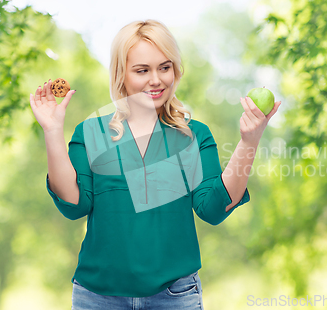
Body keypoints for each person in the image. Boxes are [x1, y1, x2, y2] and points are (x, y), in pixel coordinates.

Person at [29, 19, 281, 310]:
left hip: (174, 297)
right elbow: (74, 205)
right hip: (98, 297)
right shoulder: (91, 133)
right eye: (142, 70)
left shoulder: (194, 135)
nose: (156, 80)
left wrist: (249, 142)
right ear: (121, 75)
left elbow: (213, 209)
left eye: (165, 67)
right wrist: (51, 131)